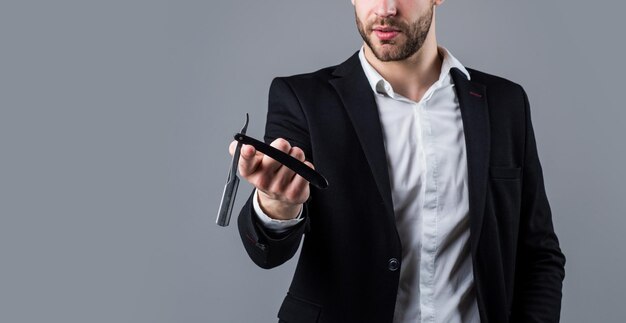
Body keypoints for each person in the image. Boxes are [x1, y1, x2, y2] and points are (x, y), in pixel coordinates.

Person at [229, 0, 565, 322]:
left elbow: (539, 254)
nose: (386, 9)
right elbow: (267, 252)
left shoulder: (504, 104)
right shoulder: (303, 99)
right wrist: (276, 206)